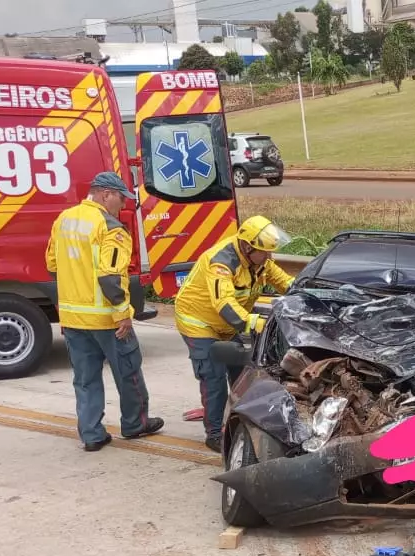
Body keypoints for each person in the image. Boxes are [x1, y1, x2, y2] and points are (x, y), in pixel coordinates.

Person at [45, 172, 164, 452]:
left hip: (74, 318)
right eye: (121, 198)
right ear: (105, 194)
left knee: (85, 379)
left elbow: (52, 263)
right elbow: (111, 277)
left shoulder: (64, 220)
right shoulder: (110, 227)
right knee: (128, 372)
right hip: (106, 319)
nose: (123, 205)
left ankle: (91, 434)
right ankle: (136, 424)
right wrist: (123, 314)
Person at [174, 215, 295, 452]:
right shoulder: (221, 263)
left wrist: (304, 294)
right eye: (264, 252)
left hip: (226, 326)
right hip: (199, 323)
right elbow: (225, 305)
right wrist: (256, 323)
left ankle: (242, 420)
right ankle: (214, 434)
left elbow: (284, 282)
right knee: (214, 377)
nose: (269, 257)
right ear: (247, 247)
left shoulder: (258, 261)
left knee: (243, 374)